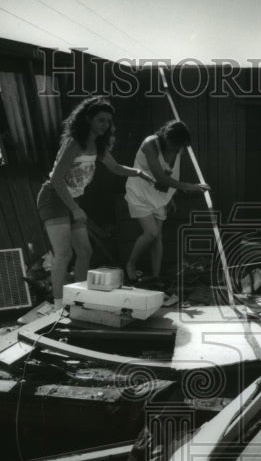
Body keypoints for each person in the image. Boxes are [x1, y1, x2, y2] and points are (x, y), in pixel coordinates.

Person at [36, 97, 153, 308]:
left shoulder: (97, 145)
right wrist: (74, 208)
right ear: (88, 119)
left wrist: (139, 172)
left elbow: (116, 167)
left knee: (85, 251)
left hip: (73, 200)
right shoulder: (74, 143)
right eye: (101, 120)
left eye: (108, 121)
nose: (105, 125)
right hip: (54, 198)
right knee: (64, 253)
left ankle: (77, 298)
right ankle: (59, 305)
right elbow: (56, 179)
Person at [124, 120, 208, 282]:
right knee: (151, 232)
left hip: (161, 196)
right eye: (174, 145)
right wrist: (189, 187)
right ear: (165, 137)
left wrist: (170, 197)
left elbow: (172, 173)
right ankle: (131, 264)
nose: (176, 149)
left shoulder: (179, 146)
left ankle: (155, 277)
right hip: (140, 193)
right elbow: (160, 176)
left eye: (179, 146)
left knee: (158, 237)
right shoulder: (150, 144)